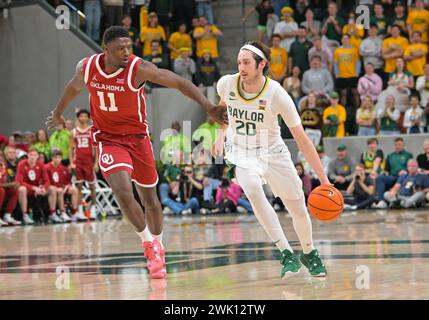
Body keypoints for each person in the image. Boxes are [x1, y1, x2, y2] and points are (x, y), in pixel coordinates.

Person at [46, 26, 227, 279]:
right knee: (121, 191)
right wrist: (57, 112)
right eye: (120, 48)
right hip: (108, 139)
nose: (126, 52)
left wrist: (207, 105)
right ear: (106, 49)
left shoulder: (137, 68)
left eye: (128, 47)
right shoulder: (87, 67)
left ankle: (159, 244)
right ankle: (147, 245)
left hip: (138, 139)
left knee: (151, 200)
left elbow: (178, 81)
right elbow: (73, 87)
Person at [214, 40, 329, 277]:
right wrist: (220, 134)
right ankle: (286, 252)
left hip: (273, 152)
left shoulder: (277, 94)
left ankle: (309, 252)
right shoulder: (227, 84)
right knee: (253, 190)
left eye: (246, 62)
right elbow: (223, 109)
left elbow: (303, 140)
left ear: (261, 64)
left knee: (297, 207)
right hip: (241, 151)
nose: (241, 67)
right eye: (239, 62)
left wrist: (324, 181)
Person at [69, 109, 97, 221]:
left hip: (89, 162)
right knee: (79, 187)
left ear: (88, 118)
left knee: (92, 187)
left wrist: (96, 163)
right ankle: (80, 210)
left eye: (85, 116)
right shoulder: (74, 132)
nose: (83, 118)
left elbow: (96, 148)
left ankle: (93, 209)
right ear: (78, 118)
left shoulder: (91, 131)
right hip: (78, 162)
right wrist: (71, 162)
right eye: (81, 116)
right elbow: (70, 149)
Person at [374, 137, 413, 209]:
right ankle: (381, 201)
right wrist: (385, 172)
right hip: (392, 176)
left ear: (403, 145)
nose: (397, 146)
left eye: (399, 144)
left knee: (403, 175)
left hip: (404, 177)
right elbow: (387, 169)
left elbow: (412, 167)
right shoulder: (390, 156)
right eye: (396, 145)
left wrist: (406, 171)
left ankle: (394, 193)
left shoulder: (408, 155)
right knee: (380, 177)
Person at [16, 148, 52, 225]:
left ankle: (52, 213)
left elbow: (47, 181)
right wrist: (33, 188)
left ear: (37, 156)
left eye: (35, 155)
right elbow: (19, 181)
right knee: (22, 189)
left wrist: (43, 188)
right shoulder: (21, 164)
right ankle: (25, 215)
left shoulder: (41, 165)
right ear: (28, 155)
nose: (33, 157)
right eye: (31, 155)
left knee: (52, 189)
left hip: (37, 188)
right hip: (27, 188)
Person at [45, 149, 80, 223]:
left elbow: (68, 181)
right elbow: (46, 182)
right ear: (52, 158)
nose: (57, 159)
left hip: (62, 188)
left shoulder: (64, 168)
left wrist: (69, 186)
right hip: (51, 188)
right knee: (59, 190)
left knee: (74, 190)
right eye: (55, 157)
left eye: (59, 157)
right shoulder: (47, 168)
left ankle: (74, 212)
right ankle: (61, 212)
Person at [334, 33, 361, 110]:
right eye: (343, 38)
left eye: (346, 38)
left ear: (349, 40)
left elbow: (357, 62)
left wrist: (357, 72)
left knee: (355, 92)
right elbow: (335, 63)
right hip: (342, 75)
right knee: (343, 93)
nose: (345, 40)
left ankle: (357, 109)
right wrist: (337, 74)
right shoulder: (338, 50)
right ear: (341, 40)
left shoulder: (354, 49)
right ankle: (343, 110)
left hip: (352, 75)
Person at [0, 158, 19, 226]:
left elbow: (4, 181)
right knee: (1, 190)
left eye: (1, 155)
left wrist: (12, 184)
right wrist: (9, 184)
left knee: (14, 190)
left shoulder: (3, 166)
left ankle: (7, 216)